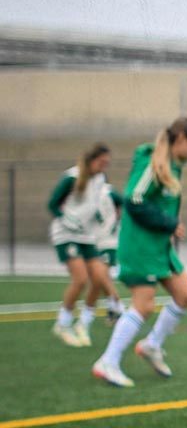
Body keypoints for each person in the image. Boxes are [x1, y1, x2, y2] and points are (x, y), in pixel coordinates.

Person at [92, 118, 187, 388]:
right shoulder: (153, 163)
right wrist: (170, 224)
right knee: (144, 305)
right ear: (179, 140)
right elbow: (134, 199)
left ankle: (152, 345)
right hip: (140, 246)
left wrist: (169, 225)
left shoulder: (173, 166)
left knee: (185, 295)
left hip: (158, 246)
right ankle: (108, 361)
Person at [47, 143, 114, 347]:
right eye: (102, 162)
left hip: (86, 235)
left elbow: (93, 204)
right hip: (66, 234)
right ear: (93, 159)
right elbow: (52, 204)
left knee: (99, 278)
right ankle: (63, 323)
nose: (104, 166)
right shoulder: (72, 177)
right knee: (80, 279)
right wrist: (65, 218)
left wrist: (99, 217)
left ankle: (84, 324)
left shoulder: (100, 179)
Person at [95, 183, 127, 324]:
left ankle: (120, 308)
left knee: (102, 275)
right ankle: (113, 308)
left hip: (109, 241)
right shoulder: (90, 193)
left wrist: (116, 218)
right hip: (98, 239)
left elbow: (122, 201)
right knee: (101, 277)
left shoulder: (106, 190)